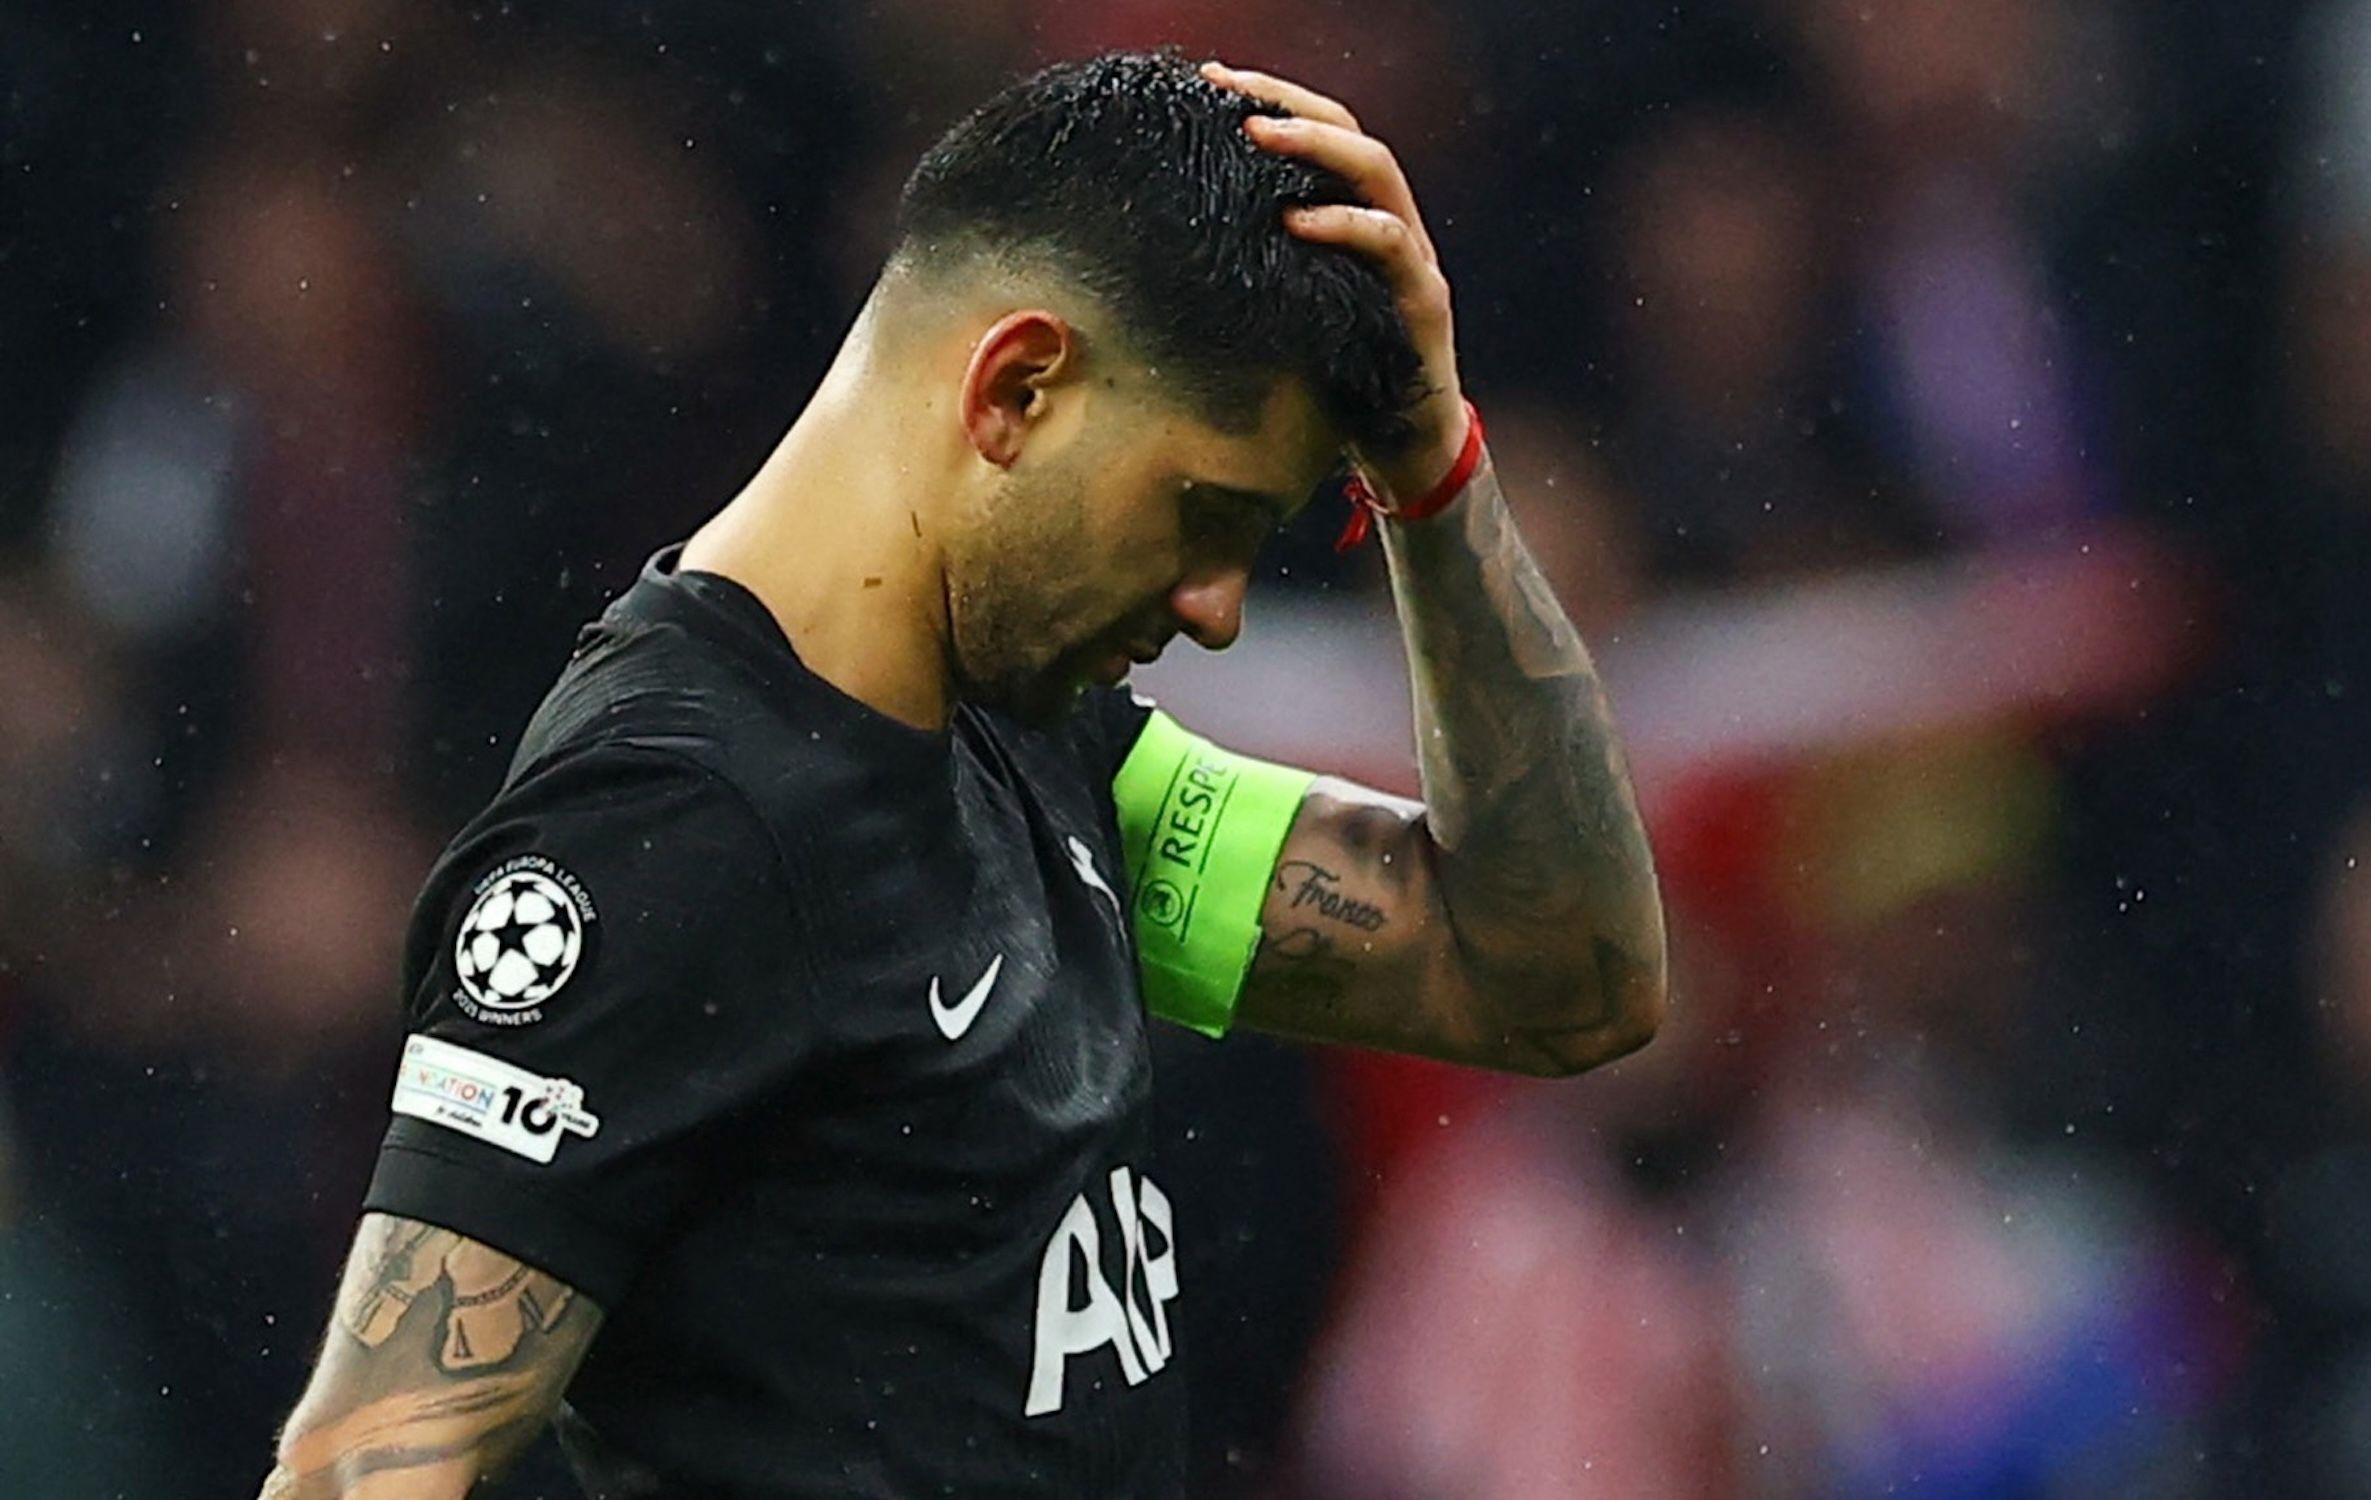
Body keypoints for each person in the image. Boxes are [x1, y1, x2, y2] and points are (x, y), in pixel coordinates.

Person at [254, 50, 1667, 1499]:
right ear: (1019, 385)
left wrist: (1432, 471)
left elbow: (1557, 976)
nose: (1219, 607)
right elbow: (364, 1466)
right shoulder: (670, 822)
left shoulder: (1040, 747)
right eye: (1204, 514)